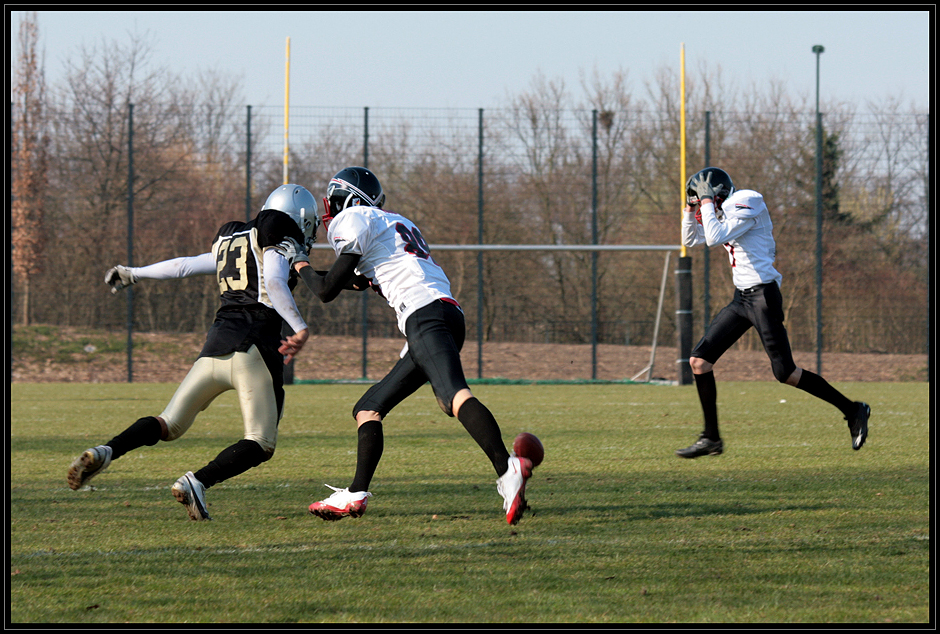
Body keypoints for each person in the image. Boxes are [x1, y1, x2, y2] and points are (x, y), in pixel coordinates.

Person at [276, 166, 536, 525]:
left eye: (334, 199)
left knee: (454, 396)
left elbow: (325, 291)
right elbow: (355, 280)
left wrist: (299, 261)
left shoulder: (353, 218)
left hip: (423, 315)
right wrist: (312, 271)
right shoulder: (394, 222)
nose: (329, 209)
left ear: (349, 200)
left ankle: (508, 469)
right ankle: (355, 493)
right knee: (369, 407)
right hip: (445, 314)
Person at [67, 184, 319, 521]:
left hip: (215, 345)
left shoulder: (235, 239)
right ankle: (196, 482)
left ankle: (107, 450)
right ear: (300, 219)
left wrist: (135, 273)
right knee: (261, 442)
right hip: (253, 347)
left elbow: (185, 266)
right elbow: (273, 280)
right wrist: (300, 327)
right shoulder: (278, 233)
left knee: (168, 423)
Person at [677, 167, 870, 458]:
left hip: (763, 297)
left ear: (718, 194)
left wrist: (705, 201)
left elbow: (714, 238)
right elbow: (692, 240)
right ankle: (711, 438)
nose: (707, 204)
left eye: (707, 197)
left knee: (786, 373)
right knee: (699, 361)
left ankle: (853, 410)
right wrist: (690, 209)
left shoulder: (747, 200)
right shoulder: (724, 210)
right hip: (742, 299)